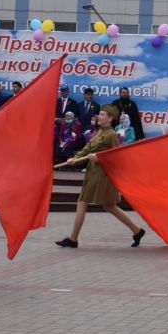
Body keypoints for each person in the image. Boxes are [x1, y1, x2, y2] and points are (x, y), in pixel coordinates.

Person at [56, 104, 146, 248]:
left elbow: (118, 157)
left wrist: (100, 158)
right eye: (99, 114)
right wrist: (74, 158)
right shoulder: (98, 132)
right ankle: (137, 231)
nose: (99, 116)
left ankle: (73, 239)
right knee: (109, 206)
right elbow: (87, 149)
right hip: (93, 172)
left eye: (103, 115)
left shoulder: (111, 135)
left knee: (82, 202)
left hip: (102, 174)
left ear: (110, 118)